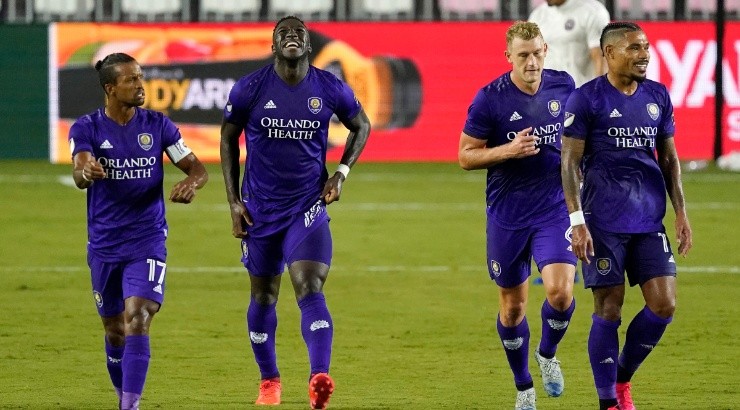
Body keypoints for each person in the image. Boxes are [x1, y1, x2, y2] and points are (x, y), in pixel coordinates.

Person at [219, 16, 371, 410]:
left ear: (308, 46)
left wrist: (341, 172)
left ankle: (319, 378)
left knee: (310, 287)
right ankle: (269, 382)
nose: (291, 36)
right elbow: (228, 139)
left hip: (307, 207)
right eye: (283, 33)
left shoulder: (328, 86)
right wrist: (234, 202)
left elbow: (361, 124)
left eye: (298, 33)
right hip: (260, 211)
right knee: (264, 294)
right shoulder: (250, 88)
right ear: (273, 46)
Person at [561, 22, 693, 410]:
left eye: (646, 47)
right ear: (609, 54)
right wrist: (577, 221)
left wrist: (681, 212)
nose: (644, 55)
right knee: (609, 307)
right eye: (634, 48)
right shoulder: (585, 100)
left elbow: (669, 158)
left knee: (664, 305)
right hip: (602, 221)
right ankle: (608, 401)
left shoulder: (657, 95)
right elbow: (568, 163)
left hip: (649, 218)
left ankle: (621, 380)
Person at [69, 53, 208, 409]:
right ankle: (122, 396)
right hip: (104, 244)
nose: (140, 86)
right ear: (110, 88)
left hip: (147, 239)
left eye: (141, 78)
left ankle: (130, 406)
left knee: (139, 317)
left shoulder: (158, 125)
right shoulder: (86, 127)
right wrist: (86, 172)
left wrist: (192, 182)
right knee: (115, 329)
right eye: (131, 80)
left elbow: (197, 167)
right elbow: (79, 168)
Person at [458, 21, 577, 410]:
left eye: (537, 52)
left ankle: (546, 354)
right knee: (512, 309)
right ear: (508, 56)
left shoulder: (564, 87)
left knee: (560, 294)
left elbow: (580, 141)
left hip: (554, 208)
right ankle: (523, 384)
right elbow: (465, 155)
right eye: (523, 54)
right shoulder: (489, 99)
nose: (531, 61)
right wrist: (506, 151)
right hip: (508, 214)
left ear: (546, 51)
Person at [529, 0, 610, 87]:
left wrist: (600, 92)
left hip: (581, 92)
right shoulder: (537, 15)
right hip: (549, 94)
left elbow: (601, 58)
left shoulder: (593, 11)